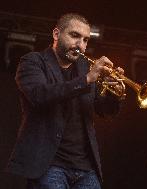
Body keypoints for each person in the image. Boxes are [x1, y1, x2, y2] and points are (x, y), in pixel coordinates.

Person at [6, 13, 124, 189]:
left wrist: (115, 95)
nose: (80, 45)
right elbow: (40, 95)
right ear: (56, 34)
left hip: (86, 167)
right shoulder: (33, 62)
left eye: (85, 40)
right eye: (75, 36)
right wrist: (86, 80)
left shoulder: (85, 68)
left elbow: (103, 110)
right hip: (49, 164)